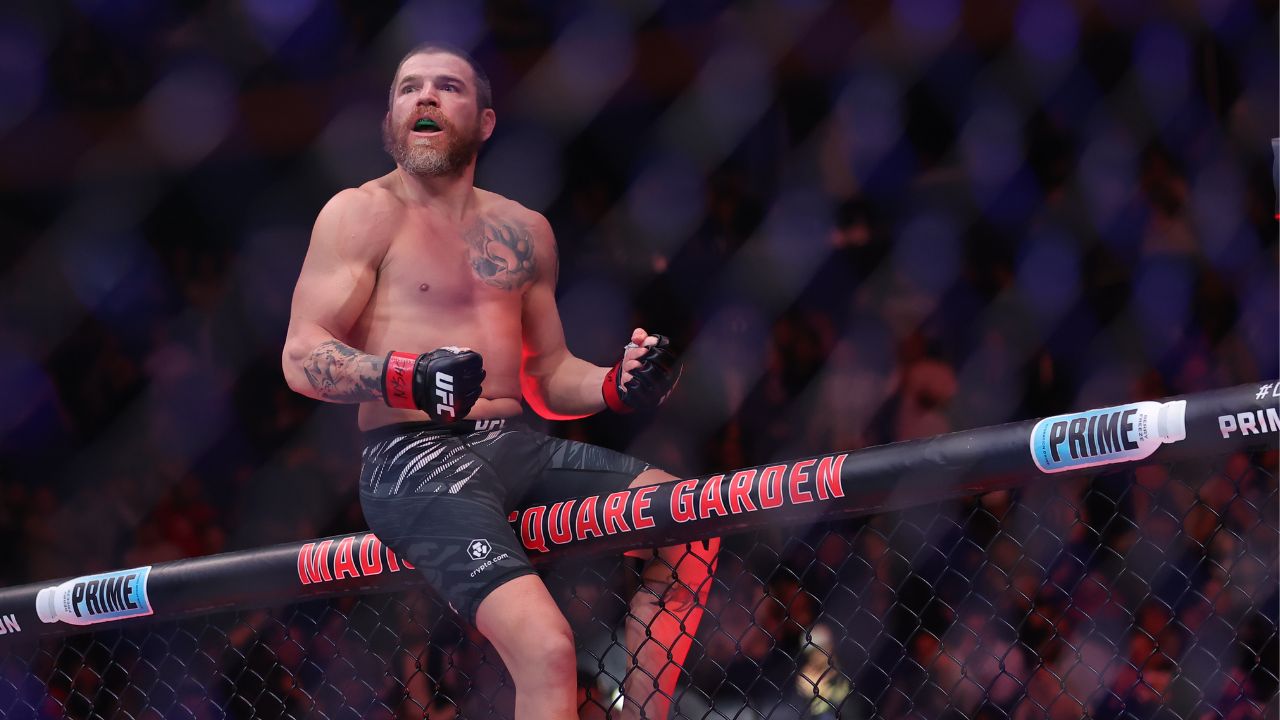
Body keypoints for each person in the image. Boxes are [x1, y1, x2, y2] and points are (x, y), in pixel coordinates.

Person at [282, 42, 718, 720]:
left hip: (521, 445)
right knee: (546, 649)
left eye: (446, 86)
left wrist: (616, 385)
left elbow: (547, 376)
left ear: (485, 121)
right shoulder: (358, 214)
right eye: (408, 88)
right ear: (390, 120)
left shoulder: (525, 231)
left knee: (689, 522)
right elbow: (302, 353)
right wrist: (406, 377)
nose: (424, 97)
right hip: (416, 459)